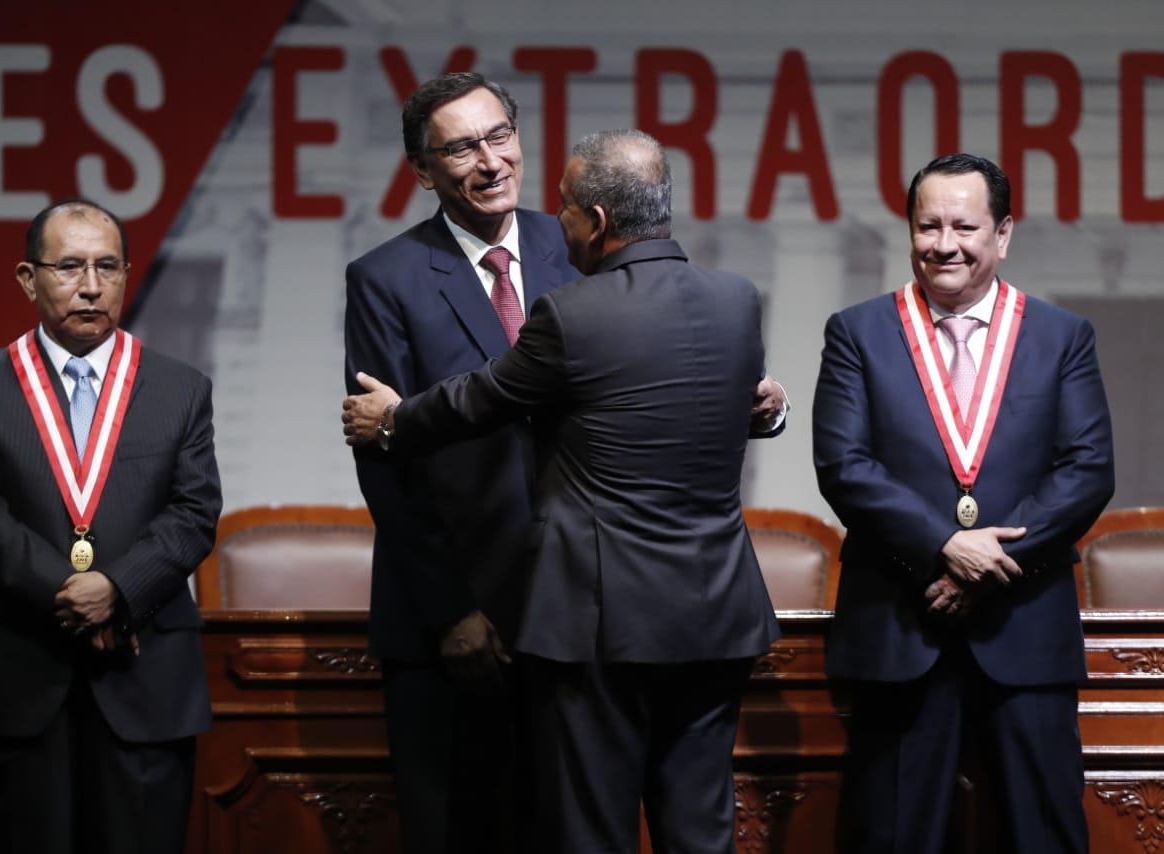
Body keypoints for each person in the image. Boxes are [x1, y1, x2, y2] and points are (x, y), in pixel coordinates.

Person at [343, 129, 786, 854]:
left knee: (591, 832)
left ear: (599, 223)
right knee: (701, 832)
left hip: (601, 624)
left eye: (567, 209)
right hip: (715, 613)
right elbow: (720, 405)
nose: (560, 224)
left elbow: (477, 400)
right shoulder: (735, 300)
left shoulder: (572, 315)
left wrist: (391, 419)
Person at [813, 153, 1114, 853]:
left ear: (1003, 234)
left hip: (1026, 626)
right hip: (899, 624)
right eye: (928, 225)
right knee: (888, 837)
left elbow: (1088, 470)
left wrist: (988, 563)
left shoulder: (1061, 336)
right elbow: (844, 466)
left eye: (964, 226)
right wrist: (943, 547)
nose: (943, 244)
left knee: (1046, 837)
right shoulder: (857, 333)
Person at [0, 198, 222, 853]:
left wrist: (117, 590)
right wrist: (70, 592)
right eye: (68, 267)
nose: (90, 286)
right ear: (28, 279)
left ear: (126, 275)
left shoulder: (181, 388)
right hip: (20, 669)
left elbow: (194, 511)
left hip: (145, 673)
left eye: (107, 267)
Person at [342, 71, 578, 853]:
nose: (490, 161)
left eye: (500, 136)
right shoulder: (385, 278)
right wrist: (450, 610)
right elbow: (385, 464)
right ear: (423, 170)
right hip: (450, 622)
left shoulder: (578, 246)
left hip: (576, 609)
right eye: (462, 147)